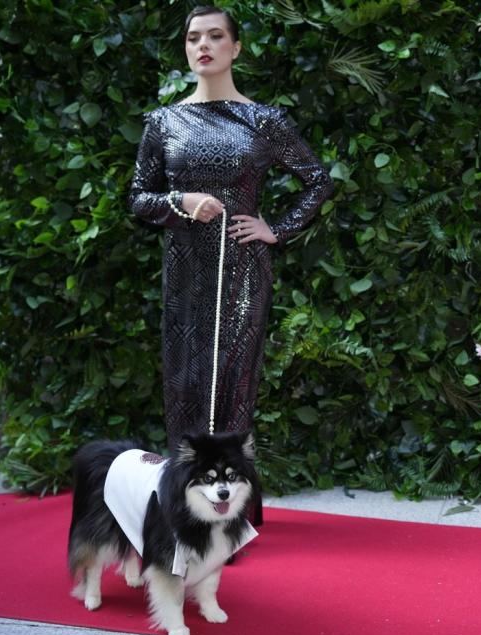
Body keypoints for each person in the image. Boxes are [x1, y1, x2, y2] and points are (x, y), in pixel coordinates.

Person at [128, 5, 333, 507]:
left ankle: (234, 511)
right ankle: (183, 507)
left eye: (215, 36)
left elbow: (317, 180)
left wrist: (275, 229)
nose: (204, 45)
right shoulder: (164, 121)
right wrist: (181, 203)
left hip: (242, 271)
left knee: (233, 385)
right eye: (194, 37)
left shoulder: (264, 120)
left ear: (235, 48)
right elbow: (138, 198)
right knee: (183, 384)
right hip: (183, 270)